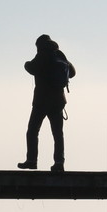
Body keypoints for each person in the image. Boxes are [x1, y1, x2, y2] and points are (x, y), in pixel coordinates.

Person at [18, 34, 75, 172]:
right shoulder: (59, 54)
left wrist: (26, 63)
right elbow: (72, 72)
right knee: (57, 133)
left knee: (32, 130)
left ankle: (32, 161)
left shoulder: (42, 54)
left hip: (41, 101)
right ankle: (59, 162)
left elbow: (31, 68)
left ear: (39, 45)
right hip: (58, 101)